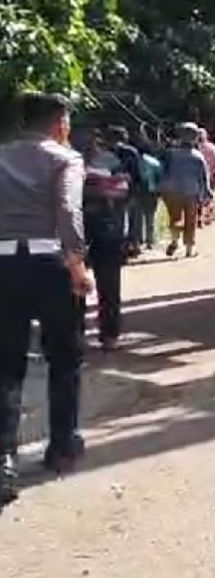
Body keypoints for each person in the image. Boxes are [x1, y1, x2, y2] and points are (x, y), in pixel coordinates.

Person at [0, 92, 92, 500]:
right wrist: (78, 266)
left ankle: (4, 460)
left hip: (3, 265)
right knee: (65, 357)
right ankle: (62, 445)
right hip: (51, 264)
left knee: (5, 364)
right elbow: (68, 212)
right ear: (60, 123)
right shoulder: (65, 159)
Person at [81, 130, 130, 352]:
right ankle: (77, 332)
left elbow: (123, 189)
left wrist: (91, 188)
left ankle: (109, 334)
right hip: (78, 229)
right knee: (72, 284)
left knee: (108, 285)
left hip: (105, 228)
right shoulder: (62, 159)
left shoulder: (111, 161)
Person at [159, 123, 213, 258]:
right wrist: (207, 192)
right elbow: (203, 177)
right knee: (191, 220)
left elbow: (163, 170)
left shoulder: (171, 154)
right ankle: (189, 249)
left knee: (175, 218)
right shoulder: (198, 156)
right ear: (195, 138)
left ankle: (174, 240)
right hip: (191, 192)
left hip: (172, 190)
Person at [107, 126, 145, 257]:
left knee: (116, 219)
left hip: (109, 191)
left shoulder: (106, 152)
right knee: (133, 219)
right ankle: (134, 245)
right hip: (130, 190)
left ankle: (118, 246)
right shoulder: (131, 152)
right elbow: (138, 173)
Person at [196, 128, 215, 226]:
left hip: (199, 175)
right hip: (213, 174)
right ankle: (208, 216)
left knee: (199, 195)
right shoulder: (213, 147)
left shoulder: (196, 149)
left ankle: (200, 217)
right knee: (209, 194)